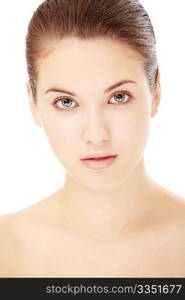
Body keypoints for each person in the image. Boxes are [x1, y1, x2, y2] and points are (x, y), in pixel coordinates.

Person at [0, 0, 185, 278]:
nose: (96, 135)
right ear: (33, 103)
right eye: (65, 102)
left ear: (155, 93)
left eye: (118, 97)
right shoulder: (6, 248)